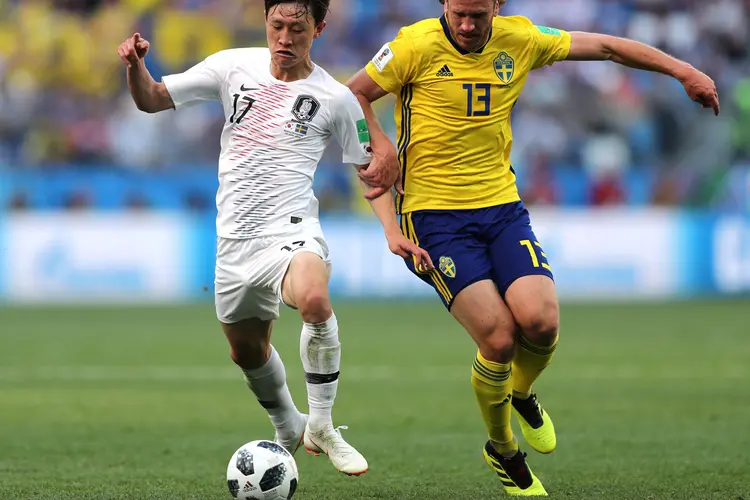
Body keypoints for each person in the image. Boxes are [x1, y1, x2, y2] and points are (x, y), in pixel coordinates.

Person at [346, 0, 720, 495]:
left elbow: (607, 46)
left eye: (478, 14)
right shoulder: (413, 45)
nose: (466, 24)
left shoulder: (520, 38)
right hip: (433, 219)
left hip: (501, 208)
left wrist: (683, 70)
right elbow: (351, 96)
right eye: (458, 12)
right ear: (443, 6)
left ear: (496, 7)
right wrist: (379, 139)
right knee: (499, 339)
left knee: (541, 323)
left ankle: (521, 393)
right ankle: (502, 450)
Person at [117, 0, 431, 477]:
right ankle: (288, 425)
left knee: (313, 298)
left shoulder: (335, 97)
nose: (285, 38)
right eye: (277, 26)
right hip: (234, 244)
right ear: (266, 22)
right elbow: (152, 99)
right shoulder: (231, 66)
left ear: (319, 29)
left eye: (297, 28)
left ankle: (322, 424)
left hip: (291, 232)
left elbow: (369, 171)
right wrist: (136, 66)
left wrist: (391, 231)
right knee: (245, 351)